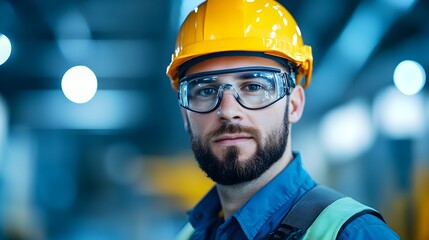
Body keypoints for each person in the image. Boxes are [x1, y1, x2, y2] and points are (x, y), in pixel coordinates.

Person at [166, 0, 399, 239]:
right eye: (205, 90)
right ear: (186, 114)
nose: (227, 110)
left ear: (294, 105)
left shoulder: (356, 234)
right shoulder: (189, 235)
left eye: (253, 86)